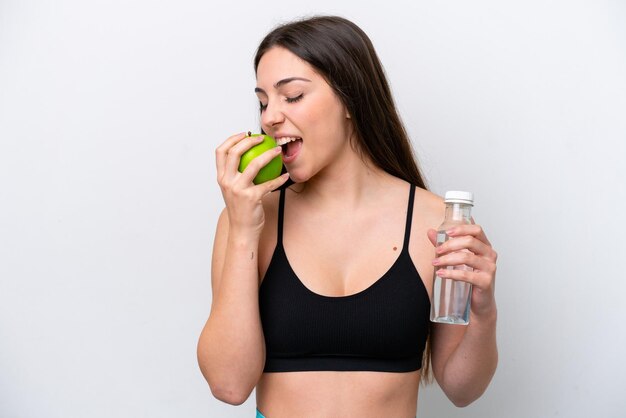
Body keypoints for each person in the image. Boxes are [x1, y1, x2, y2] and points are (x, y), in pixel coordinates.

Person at [197, 15, 498, 418]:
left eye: (292, 96)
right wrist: (242, 233)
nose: (269, 117)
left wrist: (483, 310)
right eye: (263, 101)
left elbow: (462, 388)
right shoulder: (250, 217)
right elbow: (229, 385)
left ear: (350, 99)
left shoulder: (436, 221)